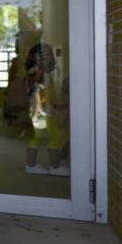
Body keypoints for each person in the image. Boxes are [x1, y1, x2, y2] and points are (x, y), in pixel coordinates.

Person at [25, 43, 70, 177]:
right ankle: (54, 167)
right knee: (53, 137)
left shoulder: (37, 70)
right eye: (46, 53)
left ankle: (31, 165)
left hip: (41, 109)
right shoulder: (40, 71)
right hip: (42, 110)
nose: (49, 55)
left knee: (37, 137)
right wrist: (39, 109)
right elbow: (37, 90)